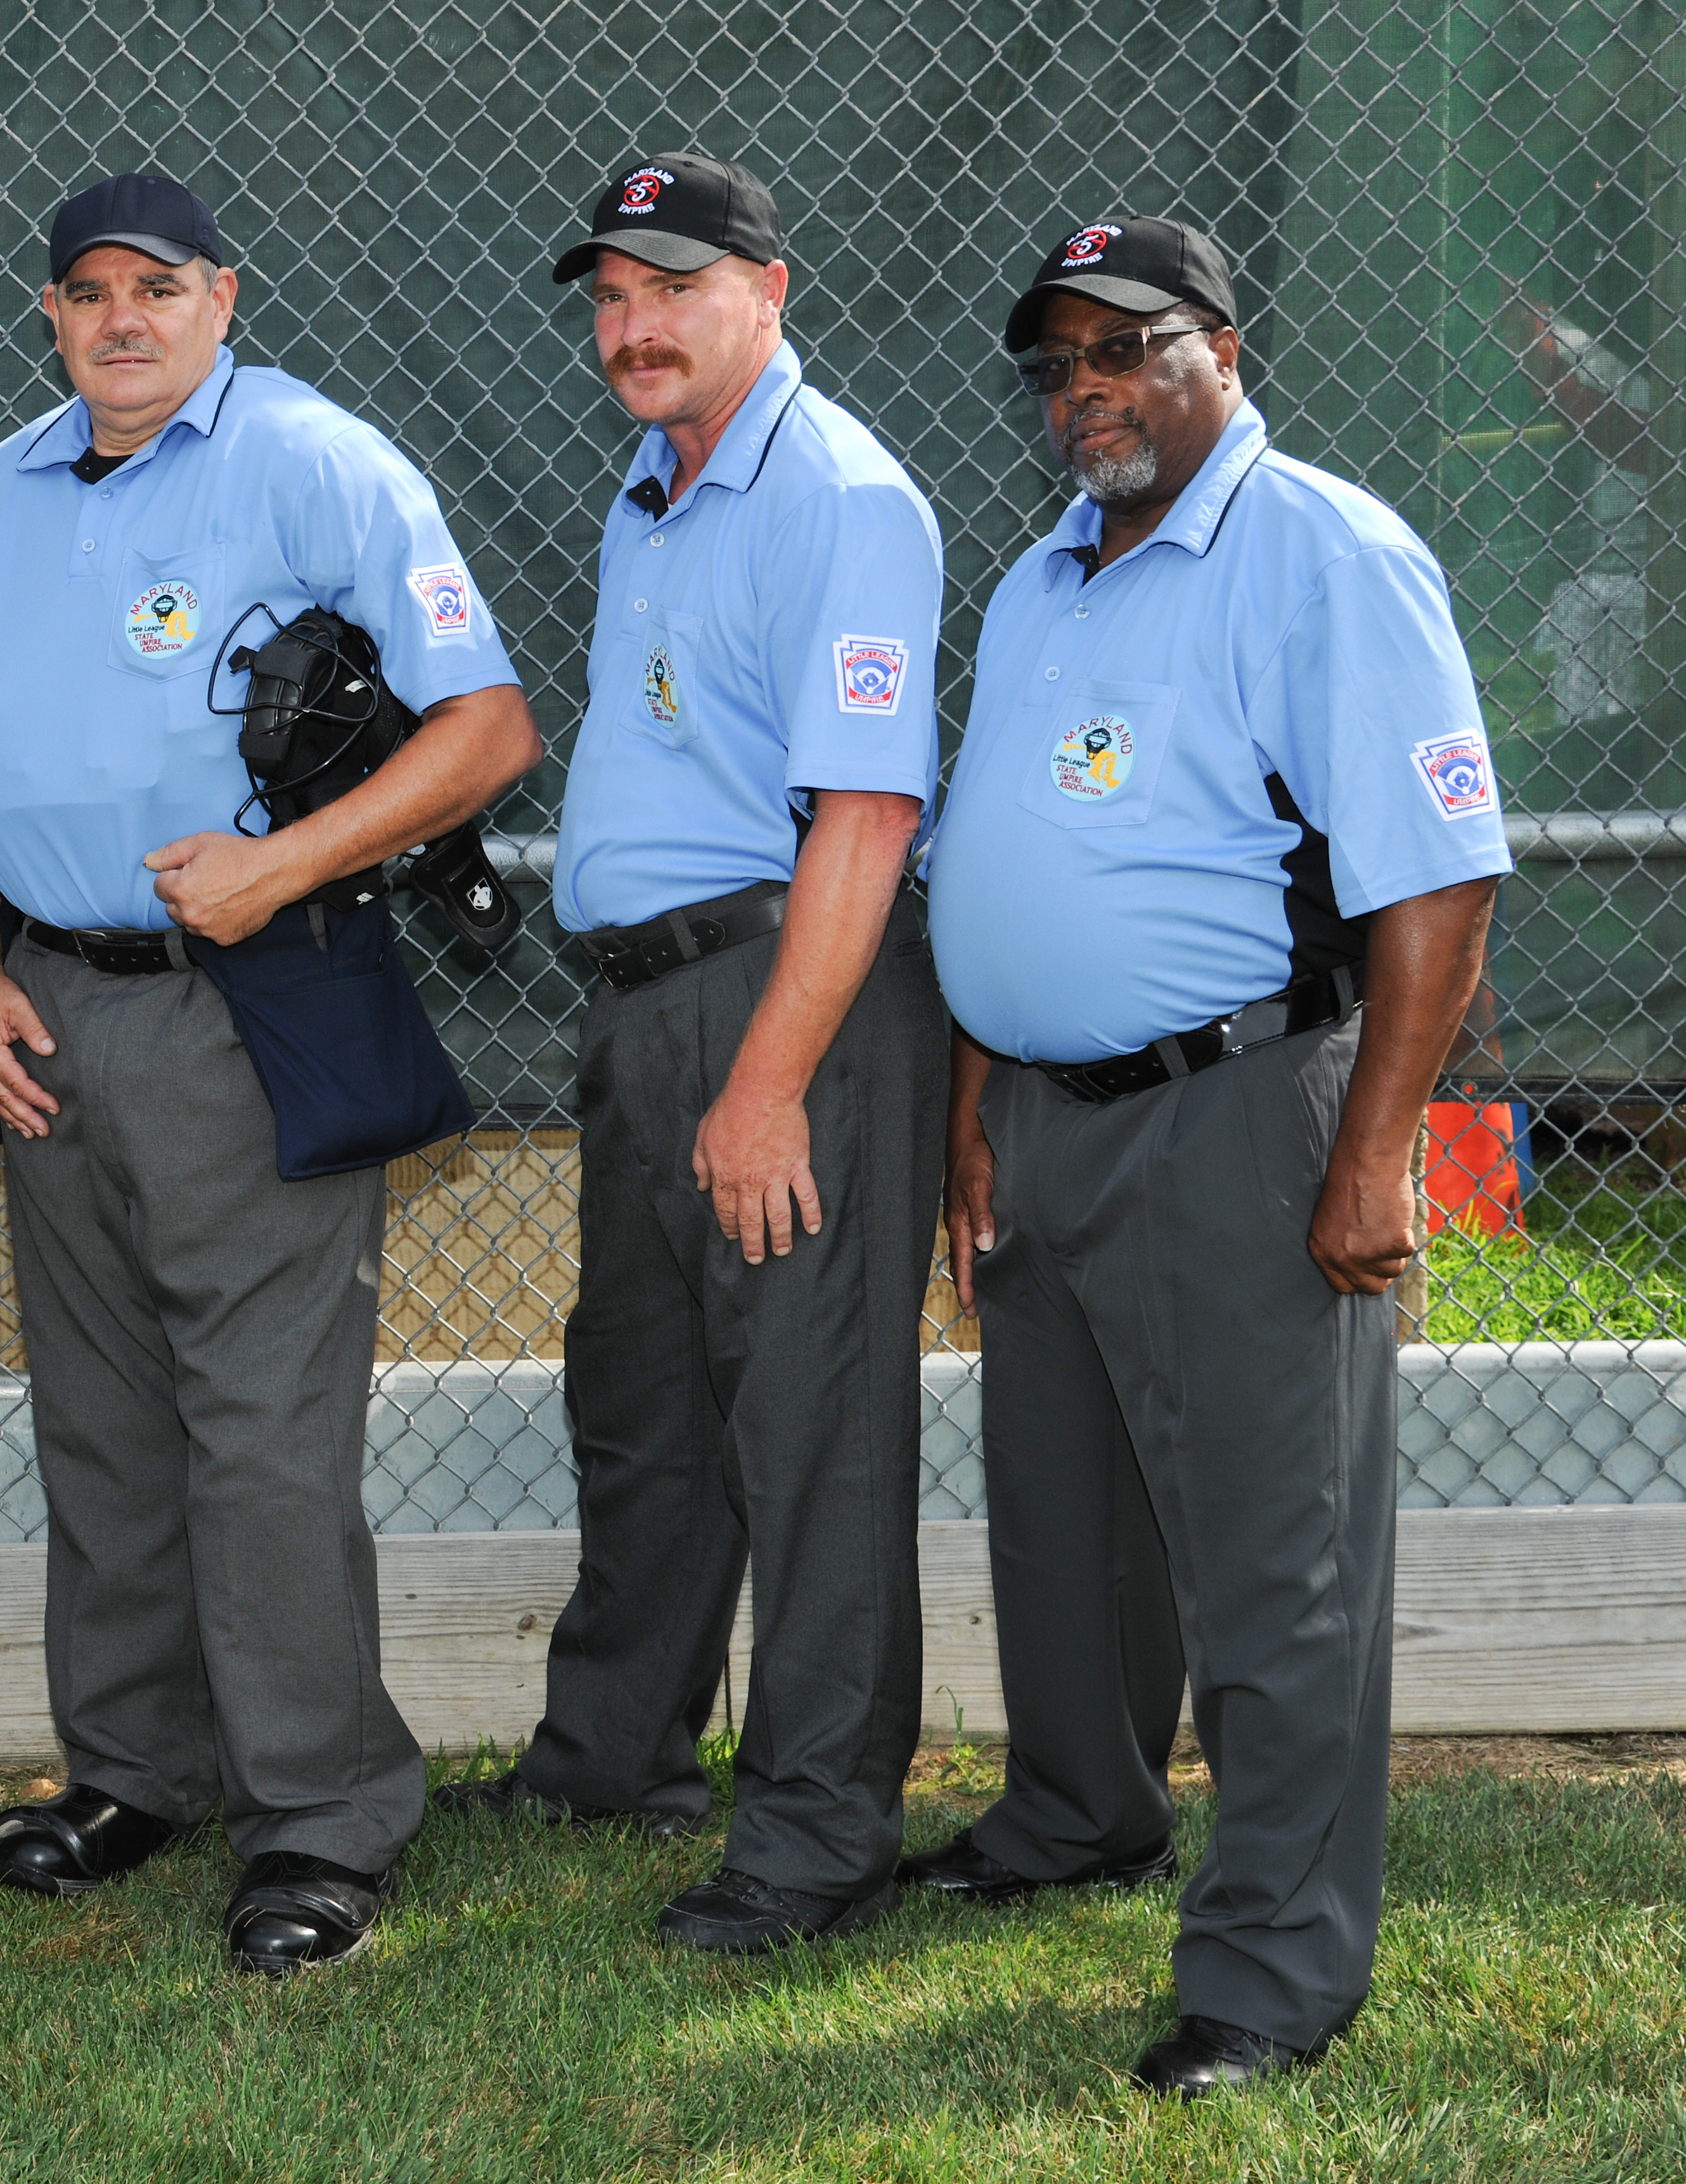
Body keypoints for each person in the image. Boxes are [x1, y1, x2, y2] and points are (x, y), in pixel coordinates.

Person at [915, 216, 1507, 2095]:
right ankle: (1080, 1811)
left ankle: (1271, 1968)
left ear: (1223, 353)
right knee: (1068, 1526)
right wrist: (970, 1115)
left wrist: (1369, 1151)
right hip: (1044, 1115)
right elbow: (992, 862)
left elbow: (1439, 875)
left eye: (1126, 345)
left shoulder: (1322, 550)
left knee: (1274, 1562)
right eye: (1055, 362)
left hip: (1240, 1110)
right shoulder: (1044, 580)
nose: (1084, 385)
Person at [0, 173, 543, 1974]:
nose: (122, 317)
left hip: (244, 991)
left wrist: (285, 859)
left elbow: (487, 725)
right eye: (87, 291)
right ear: (49, 312)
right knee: (103, 1429)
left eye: (159, 286)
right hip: (48, 1001)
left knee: (260, 1437)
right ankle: (137, 1770)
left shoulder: (313, 460)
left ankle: (322, 1816)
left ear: (222, 297)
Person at [435, 153, 951, 1957]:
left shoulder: (841, 497)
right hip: (644, 999)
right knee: (642, 1405)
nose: (631, 324)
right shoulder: (652, 487)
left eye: (670, 285)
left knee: (807, 1427)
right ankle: (614, 1752)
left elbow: (867, 821)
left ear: (768, 289)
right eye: (608, 294)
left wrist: (763, 1083)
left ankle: (814, 1836)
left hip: (782, 1004)